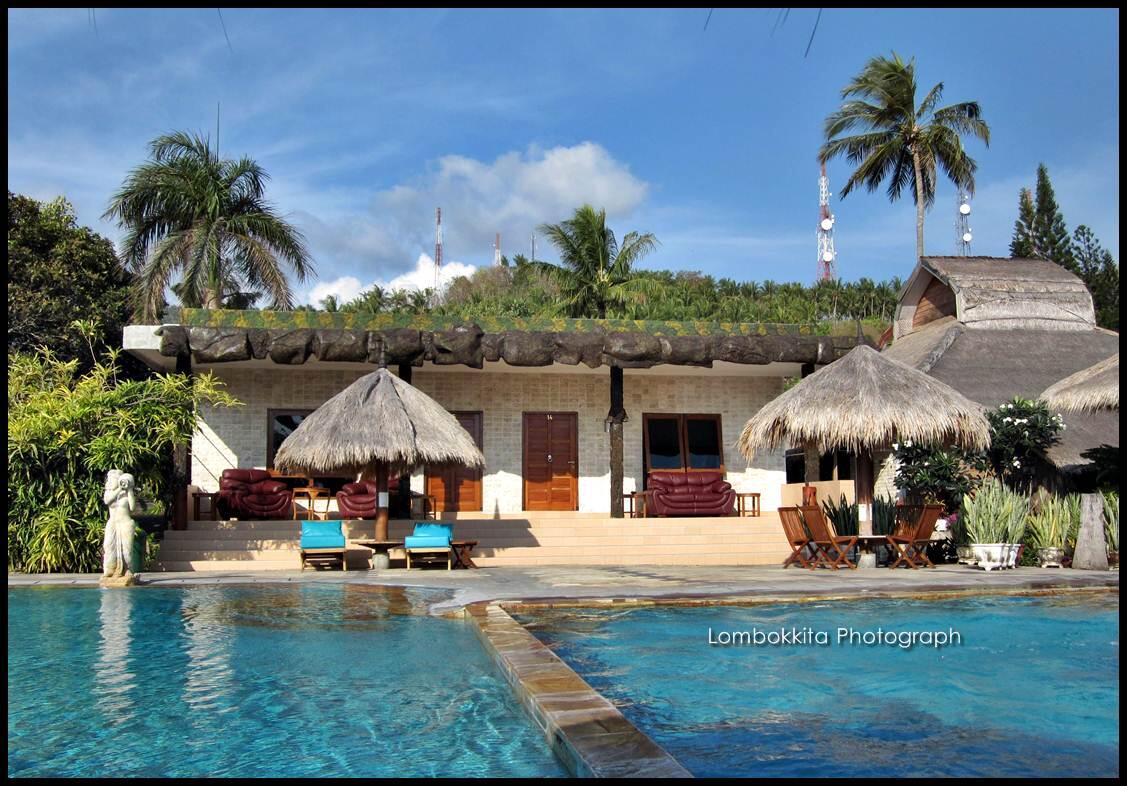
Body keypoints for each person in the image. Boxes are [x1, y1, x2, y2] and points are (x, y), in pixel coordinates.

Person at [102, 470, 138, 579]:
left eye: (112, 479)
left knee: (126, 549)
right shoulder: (109, 492)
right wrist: (119, 490)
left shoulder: (126, 493)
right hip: (113, 522)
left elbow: (132, 508)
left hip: (125, 523)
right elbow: (107, 501)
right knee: (108, 545)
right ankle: (110, 569)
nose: (110, 481)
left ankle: (127, 569)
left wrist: (129, 490)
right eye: (109, 479)